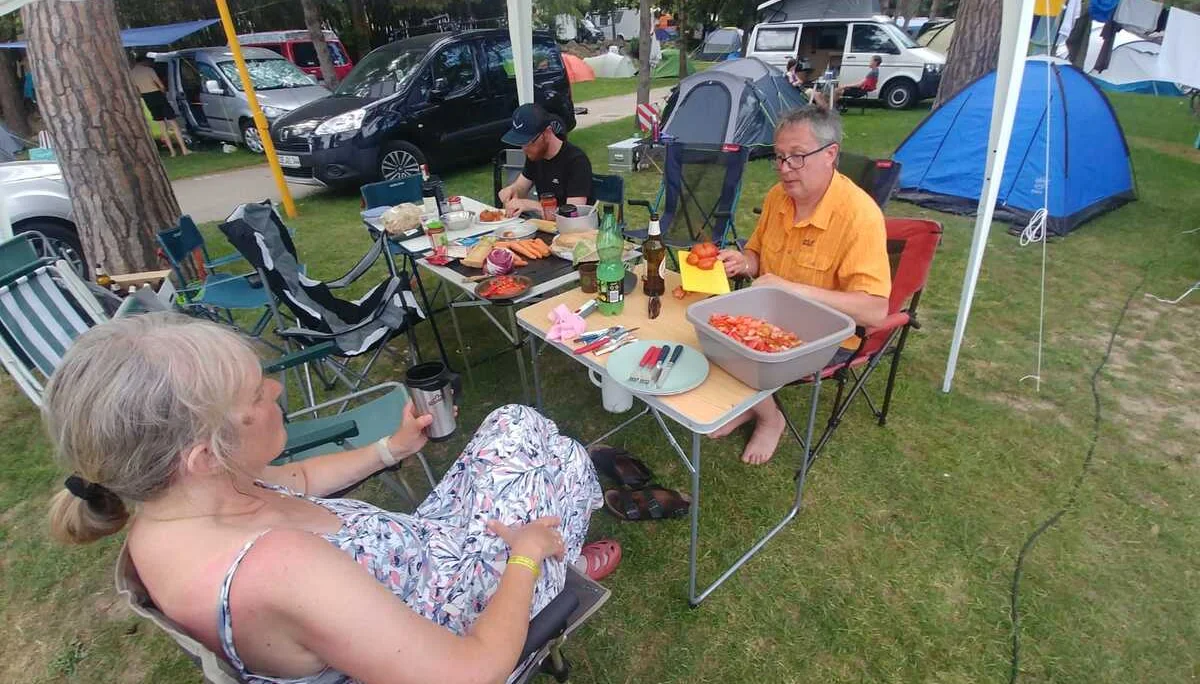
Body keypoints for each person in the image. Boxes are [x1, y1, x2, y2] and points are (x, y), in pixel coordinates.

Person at [44, 313, 618, 683]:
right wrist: (524, 556)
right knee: (562, 464)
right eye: (255, 394)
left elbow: (297, 482)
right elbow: (473, 672)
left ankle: (557, 535)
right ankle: (561, 559)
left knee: (514, 420)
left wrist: (389, 450)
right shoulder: (278, 570)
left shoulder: (178, 506)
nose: (274, 389)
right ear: (203, 456)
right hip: (462, 617)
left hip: (420, 557)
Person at [713, 107, 891, 465]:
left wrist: (793, 289)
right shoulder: (777, 198)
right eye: (779, 157)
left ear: (831, 154)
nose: (784, 168)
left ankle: (769, 418)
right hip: (773, 317)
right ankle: (753, 404)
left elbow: (875, 310)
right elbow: (758, 257)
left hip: (828, 337)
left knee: (736, 347)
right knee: (711, 327)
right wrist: (742, 262)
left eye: (797, 156)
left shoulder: (859, 215)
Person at [497, 103, 594, 217]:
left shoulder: (576, 161)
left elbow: (573, 214)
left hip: (575, 230)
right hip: (547, 226)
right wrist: (512, 190)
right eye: (522, 143)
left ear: (547, 132)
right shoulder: (536, 155)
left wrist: (532, 205)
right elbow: (521, 187)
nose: (524, 149)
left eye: (529, 142)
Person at [130, 55, 190, 157]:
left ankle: (172, 152)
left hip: (147, 97)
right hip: (157, 94)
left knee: (161, 125)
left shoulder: (132, 73)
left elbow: (136, 90)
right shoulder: (149, 70)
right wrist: (163, 92)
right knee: (172, 122)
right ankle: (184, 149)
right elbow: (160, 85)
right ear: (144, 61)